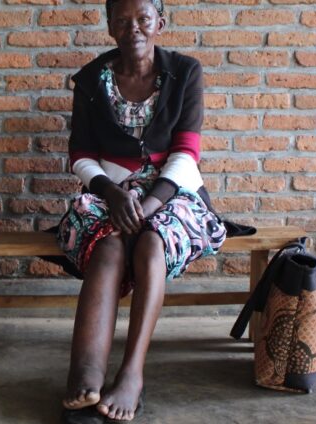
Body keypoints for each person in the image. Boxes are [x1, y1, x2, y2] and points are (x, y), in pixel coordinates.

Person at [56, 0, 227, 421]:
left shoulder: (185, 72)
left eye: (143, 19)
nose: (133, 28)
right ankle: (86, 373)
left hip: (173, 194)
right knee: (108, 246)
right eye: (122, 20)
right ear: (111, 27)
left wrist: (147, 206)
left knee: (150, 242)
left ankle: (132, 374)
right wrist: (113, 194)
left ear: (159, 24)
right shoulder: (92, 79)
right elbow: (79, 154)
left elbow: (187, 154)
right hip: (107, 193)